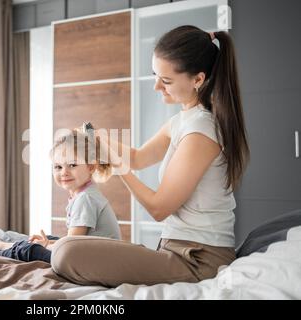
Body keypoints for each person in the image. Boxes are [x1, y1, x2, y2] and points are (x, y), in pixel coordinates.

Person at [51, 25, 250, 287]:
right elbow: (138, 157)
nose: (157, 86)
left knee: (67, 251)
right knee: (65, 247)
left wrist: (119, 166)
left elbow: (159, 208)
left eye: (166, 80)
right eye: (155, 75)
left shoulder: (202, 131)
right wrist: (97, 136)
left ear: (198, 80)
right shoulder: (181, 121)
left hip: (199, 260)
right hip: (175, 250)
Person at [0, 124, 121, 263]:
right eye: (58, 167)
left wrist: (46, 245)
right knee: (43, 240)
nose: (64, 172)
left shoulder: (86, 199)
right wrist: (48, 242)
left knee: (31, 250)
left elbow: (71, 245)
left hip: (89, 263)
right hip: (89, 257)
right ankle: (3, 246)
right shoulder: (86, 193)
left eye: (72, 165)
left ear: (91, 167)